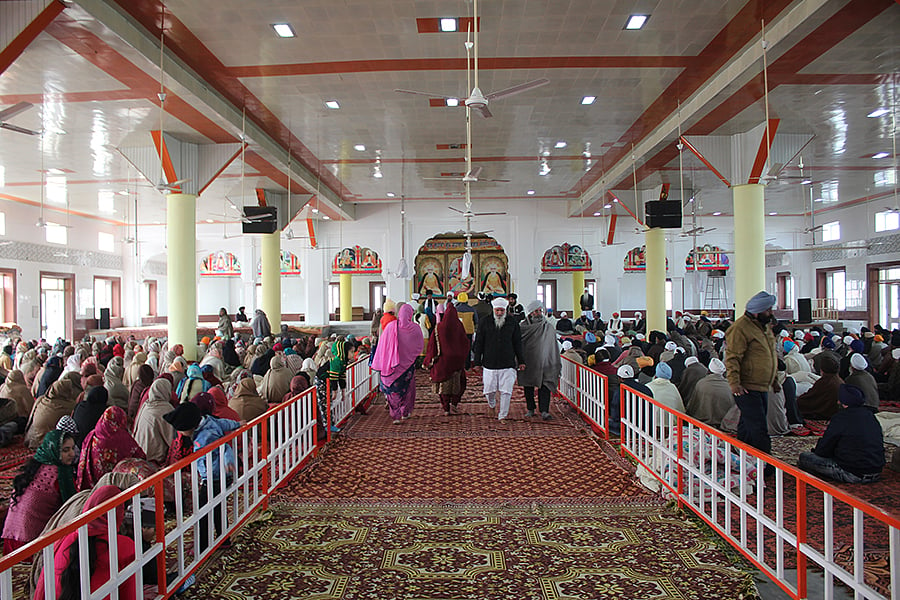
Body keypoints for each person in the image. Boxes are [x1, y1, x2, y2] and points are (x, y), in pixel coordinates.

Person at [33, 485, 137, 600]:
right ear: (118, 512)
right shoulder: (124, 546)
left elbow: (42, 588)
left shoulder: (62, 539)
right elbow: (130, 594)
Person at [2, 430, 77, 552]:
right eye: (65, 450)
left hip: (9, 540)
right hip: (31, 545)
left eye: (73, 448)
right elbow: (72, 506)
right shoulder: (60, 474)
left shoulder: (34, 467)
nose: (72, 454)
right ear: (53, 450)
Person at [724, 291, 778, 456]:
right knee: (758, 426)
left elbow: (770, 355)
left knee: (748, 424)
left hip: (761, 385)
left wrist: (774, 379)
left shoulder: (763, 327)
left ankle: (742, 455)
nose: (771, 313)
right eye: (768, 310)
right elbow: (732, 357)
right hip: (746, 386)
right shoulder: (740, 328)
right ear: (757, 311)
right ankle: (766, 465)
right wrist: (734, 383)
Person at [798, 384, 885, 483]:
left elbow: (824, 449)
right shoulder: (870, 416)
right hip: (876, 470)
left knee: (805, 458)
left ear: (843, 402)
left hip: (852, 472)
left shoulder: (840, 418)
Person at [473, 297, 525, 422]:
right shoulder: (485, 322)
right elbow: (479, 343)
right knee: (489, 391)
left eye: (502, 311)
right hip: (489, 363)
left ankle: (503, 415)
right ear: (493, 309)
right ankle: (491, 405)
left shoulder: (512, 322)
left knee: (506, 391)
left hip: (507, 363)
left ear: (505, 310)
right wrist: (477, 363)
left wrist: (521, 361)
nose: (500, 313)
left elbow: (518, 343)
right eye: (497, 311)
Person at [372, 304, 423, 424]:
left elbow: (383, 346)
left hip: (392, 366)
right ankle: (405, 412)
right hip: (408, 366)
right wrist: (410, 356)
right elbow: (420, 346)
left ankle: (395, 415)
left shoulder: (391, 327)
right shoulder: (415, 328)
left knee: (394, 391)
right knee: (407, 389)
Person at [76, 406, 145, 491]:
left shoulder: (93, 434)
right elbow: (140, 456)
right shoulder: (122, 438)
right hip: (116, 485)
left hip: (94, 485)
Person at [518, 300, 562, 420]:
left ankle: (544, 411)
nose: (538, 313)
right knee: (528, 386)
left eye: (540, 311)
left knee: (545, 385)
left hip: (544, 361)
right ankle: (530, 409)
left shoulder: (547, 326)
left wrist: (551, 359)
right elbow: (519, 343)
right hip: (529, 360)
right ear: (531, 313)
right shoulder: (523, 327)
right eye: (536, 311)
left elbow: (552, 344)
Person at [424, 302, 469, 416]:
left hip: (442, 362)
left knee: (443, 387)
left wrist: (429, 360)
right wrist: (462, 357)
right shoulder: (459, 326)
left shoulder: (439, 327)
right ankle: (454, 403)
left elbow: (432, 345)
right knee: (459, 384)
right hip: (456, 363)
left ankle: (445, 408)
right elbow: (465, 343)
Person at [686, 358, 732, 428]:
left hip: (702, 424)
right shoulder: (729, 386)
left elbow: (693, 405)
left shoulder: (702, 383)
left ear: (709, 371)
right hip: (724, 425)